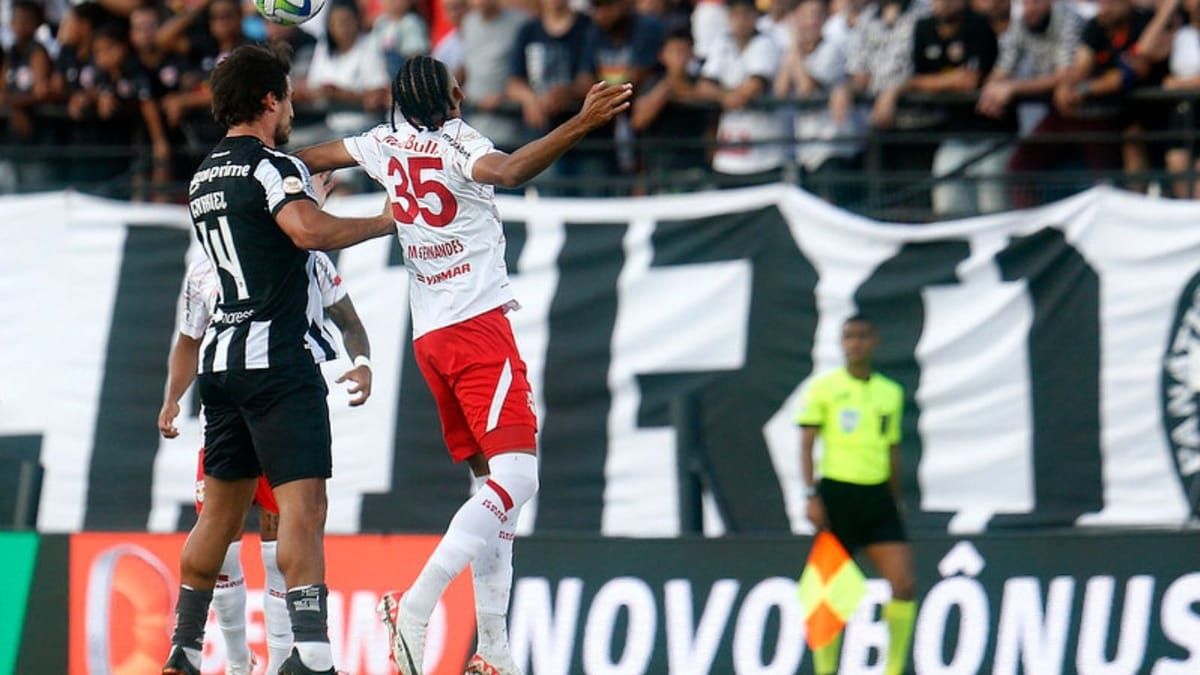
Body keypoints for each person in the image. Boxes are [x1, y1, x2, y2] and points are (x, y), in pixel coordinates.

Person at [295, 55, 631, 675]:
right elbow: (511, 169)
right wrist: (580, 124)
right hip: (478, 328)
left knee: (490, 491)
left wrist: (284, 183)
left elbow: (310, 157)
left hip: (431, 338)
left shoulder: (379, 142)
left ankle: (494, 649)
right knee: (519, 480)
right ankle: (414, 607)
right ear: (453, 95)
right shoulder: (458, 144)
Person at [160, 42, 396, 675]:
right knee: (302, 506)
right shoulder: (274, 166)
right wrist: (381, 221)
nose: (292, 106)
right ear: (270, 100)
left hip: (222, 362)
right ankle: (313, 653)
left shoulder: (203, 175)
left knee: (220, 511)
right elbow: (306, 232)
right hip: (275, 361)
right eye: (288, 95)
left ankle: (183, 647)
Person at [158, 252, 373, 675]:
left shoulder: (309, 258)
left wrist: (362, 362)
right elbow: (188, 339)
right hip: (240, 410)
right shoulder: (206, 269)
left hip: (275, 406)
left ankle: (275, 661)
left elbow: (349, 319)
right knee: (225, 541)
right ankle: (237, 662)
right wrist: (172, 397)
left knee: (280, 541)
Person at [796, 315, 916, 675]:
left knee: (904, 583)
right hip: (837, 497)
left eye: (862, 336)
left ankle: (893, 669)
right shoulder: (824, 389)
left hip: (877, 497)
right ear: (841, 343)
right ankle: (825, 669)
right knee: (828, 592)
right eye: (849, 337)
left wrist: (895, 497)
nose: (855, 343)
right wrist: (811, 494)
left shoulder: (889, 393)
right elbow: (806, 445)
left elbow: (892, 447)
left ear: (875, 341)